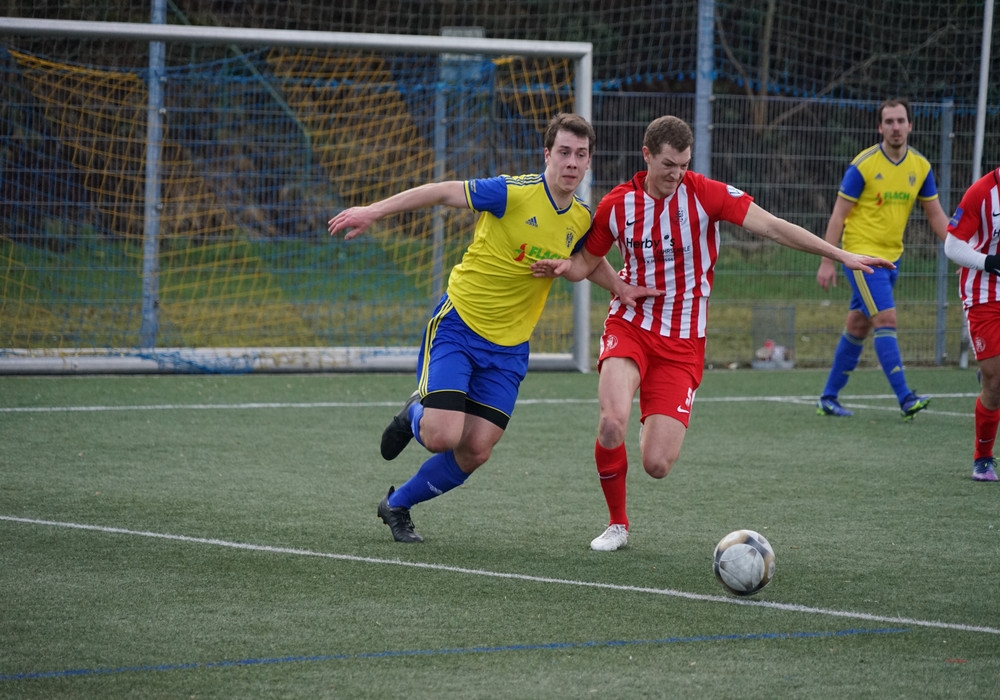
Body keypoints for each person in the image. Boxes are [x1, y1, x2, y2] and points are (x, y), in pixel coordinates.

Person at [531, 115, 895, 552]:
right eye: (668, 164)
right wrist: (562, 265)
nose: (677, 174)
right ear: (647, 156)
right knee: (611, 423)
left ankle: (655, 413)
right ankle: (617, 524)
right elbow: (585, 265)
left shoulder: (706, 194)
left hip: (683, 342)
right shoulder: (617, 205)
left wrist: (840, 255)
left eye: (684, 165)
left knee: (657, 464)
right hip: (631, 325)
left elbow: (774, 226)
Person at [327, 113, 660, 542]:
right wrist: (374, 211)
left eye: (581, 155)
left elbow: (586, 261)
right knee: (442, 435)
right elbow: (442, 191)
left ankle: (396, 505)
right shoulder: (511, 193)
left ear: (589, 161)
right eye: (563, 152)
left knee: (476, 449)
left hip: (509, 350)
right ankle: (415, 412)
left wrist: (620, 286)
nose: (572, 163)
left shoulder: (581, 217)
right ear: (547, 154)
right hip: (459, 327)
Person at [815, 98, 950, 419]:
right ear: (880, 128)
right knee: (886, 320)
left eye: (901, 121)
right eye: (889, 122)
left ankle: (828, 398)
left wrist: (966, 255)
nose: (895, 127)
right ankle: (905, 398)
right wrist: (827, 260)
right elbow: (838, 215)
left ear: (910, 125)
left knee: (858, 325)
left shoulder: (920, 166)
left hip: (893, 259)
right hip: (861, 257)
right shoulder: (863, 165)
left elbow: (936, 216)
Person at [942, 165, 1000, 481]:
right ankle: (983, 458)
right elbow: (952, 245)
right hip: (984, 293)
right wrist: (987, 262)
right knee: (995, 381)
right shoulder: (982, 192)